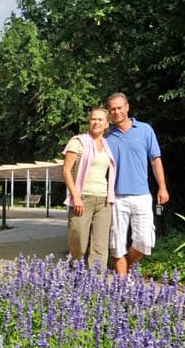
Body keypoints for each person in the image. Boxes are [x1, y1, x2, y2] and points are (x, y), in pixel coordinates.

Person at [104, 92, 168, 276]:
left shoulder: (145, 130)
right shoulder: (106, 137)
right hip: (116, 197)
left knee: (145, 242)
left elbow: (155, 160)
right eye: (112, 109)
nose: (116, 111)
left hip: (142, 195)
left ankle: (124, 269)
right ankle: (122, 285)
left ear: (127, 107)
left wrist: (162, 187)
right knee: (117, 245)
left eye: (119, 107)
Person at [62, 106, 117, 270]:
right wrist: (76, 196)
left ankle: (96, 280)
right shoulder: (78, 142)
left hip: (104, 201)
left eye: (100, 119)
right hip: (83, 198)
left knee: (100, 245)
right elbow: (66, 171)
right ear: (89, 121)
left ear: (107, 124)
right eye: (93, 119)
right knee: (78, 241)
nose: (96, 122)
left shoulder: (107, 145)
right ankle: (75, 271)